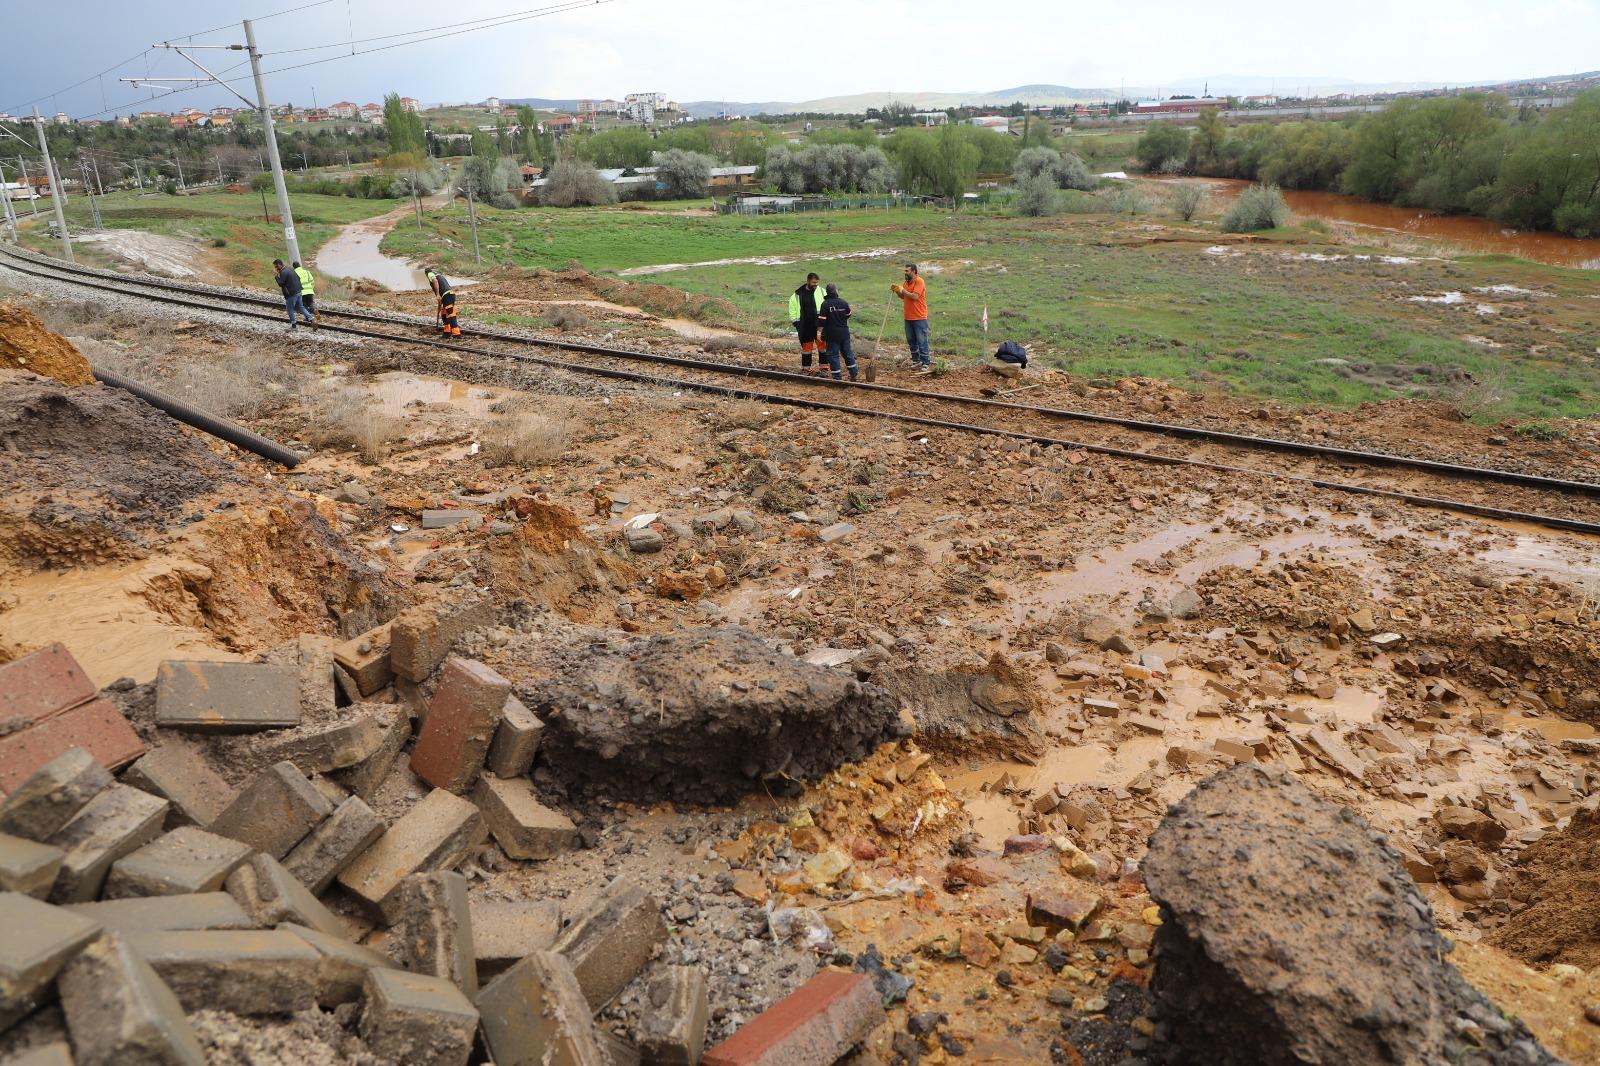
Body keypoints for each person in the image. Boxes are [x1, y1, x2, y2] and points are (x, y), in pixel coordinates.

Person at [890, 263, 930, 372]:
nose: (905, 272)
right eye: (905, 271)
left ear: (913, 271)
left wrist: (902, 290)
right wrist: (897, 291)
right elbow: (904, 296)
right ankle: (916, 361)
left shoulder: (919, 281)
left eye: (907, 271)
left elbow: (915, 296)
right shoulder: (906, 282)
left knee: (922, 341)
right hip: (908, 317)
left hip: (919, 317)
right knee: (911, 341)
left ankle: (925, 363)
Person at [817, 283, 858, 382]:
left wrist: (819, 333)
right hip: (844, 333)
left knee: (833, 355)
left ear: (827, 292)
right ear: (836, 291)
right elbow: (848, 314)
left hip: (832, 335)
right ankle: (854, 374)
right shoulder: (843, 302)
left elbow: (822, 321)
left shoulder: (825, 304)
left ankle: (837, 378)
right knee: (848, 353)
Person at [787, 272, 825, 373]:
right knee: (806, 349)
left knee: (823, 347)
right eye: (813, 282)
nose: (816, 284)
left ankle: (824, 368)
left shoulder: (822, 291)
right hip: (805, 327)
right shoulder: (797, 295)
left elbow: (827, 305)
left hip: (819, 326)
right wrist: (797, 324)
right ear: (807, 281)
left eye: (817, 282)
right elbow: (792, 310)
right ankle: (806, 369)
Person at [273, 258, 313, 332]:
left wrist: (276, 276)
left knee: (290, 310)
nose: (276, 268)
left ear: (280, 265)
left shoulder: (284, 272)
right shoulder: (290, 269)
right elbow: (298, 278)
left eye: (276, 266)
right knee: (301, 307)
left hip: (291, 294)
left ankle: (294, 327)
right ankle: (311, 319)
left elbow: (281, 283)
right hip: (299, 291)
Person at [425, 267, 461, 338]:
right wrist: (439, 307)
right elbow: (440, 299)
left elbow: (435, 281)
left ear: (426, 274)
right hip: (448, 295)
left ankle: (457, 334)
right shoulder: (439, 275)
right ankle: (447, 333)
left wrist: (437, 294)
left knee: (450, 314)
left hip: (447, 296)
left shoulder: (430, 274)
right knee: (444, 314)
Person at [292, 261, 318, 327]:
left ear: (293, 267)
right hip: (309, 291)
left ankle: (307, 318)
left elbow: (294, 284)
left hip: (301, 292)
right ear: (299, 265)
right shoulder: (307, 272)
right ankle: (314, 308)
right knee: (311, 302)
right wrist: (311, 288)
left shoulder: (294, 273)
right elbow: (312, 281)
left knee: (304, 306)